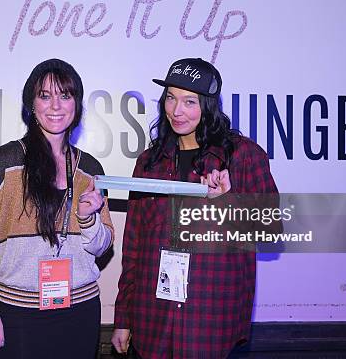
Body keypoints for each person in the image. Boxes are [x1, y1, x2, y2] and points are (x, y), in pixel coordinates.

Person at [112, 58, 280, 358]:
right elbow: (134, 247)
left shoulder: (242, 156)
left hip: (211, 327)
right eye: (171, 98)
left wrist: (228, 202)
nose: (177, 111)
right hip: (153, 324)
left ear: (209, 105)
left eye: (189, 101)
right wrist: (123, 318)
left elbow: (270, 231)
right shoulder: (149, 163)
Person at [0, 58, 114, 358]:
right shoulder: (3, 162)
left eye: (65, 95)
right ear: (31, 104)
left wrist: (88, 220)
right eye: (44, 96)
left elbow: (103, 246)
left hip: (81, 311)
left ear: (77, 104)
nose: (56, 105)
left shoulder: (90, 168)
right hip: (18, 314)